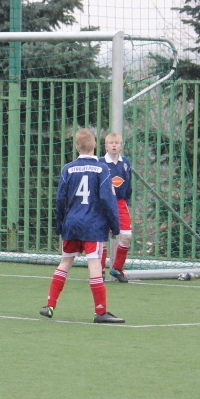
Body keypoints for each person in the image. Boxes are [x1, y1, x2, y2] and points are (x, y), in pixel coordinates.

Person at [40, 128, 124, 323]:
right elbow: (107, 199)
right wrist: (115, 226)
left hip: (72, 223)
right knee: (94, 264)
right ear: (95, 145)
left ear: (76, 147)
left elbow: (60, 199)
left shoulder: (67, 169)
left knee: (65, 262)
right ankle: (101, 312)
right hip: (92, 225)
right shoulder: (102, 169)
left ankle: (50, 305)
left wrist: (60, 224)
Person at [103, 132, 133, 283]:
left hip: (120, 203)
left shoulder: (125, 163)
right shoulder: (100, 163)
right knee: (101, 237)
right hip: (104, 204)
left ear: (121, 146)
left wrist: (127, 201)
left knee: (127, 236)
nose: (114, 145)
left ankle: (117, 268)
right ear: (106, 146)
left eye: (117, 142)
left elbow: (129, 185)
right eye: (111, 142)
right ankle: (99, 269)